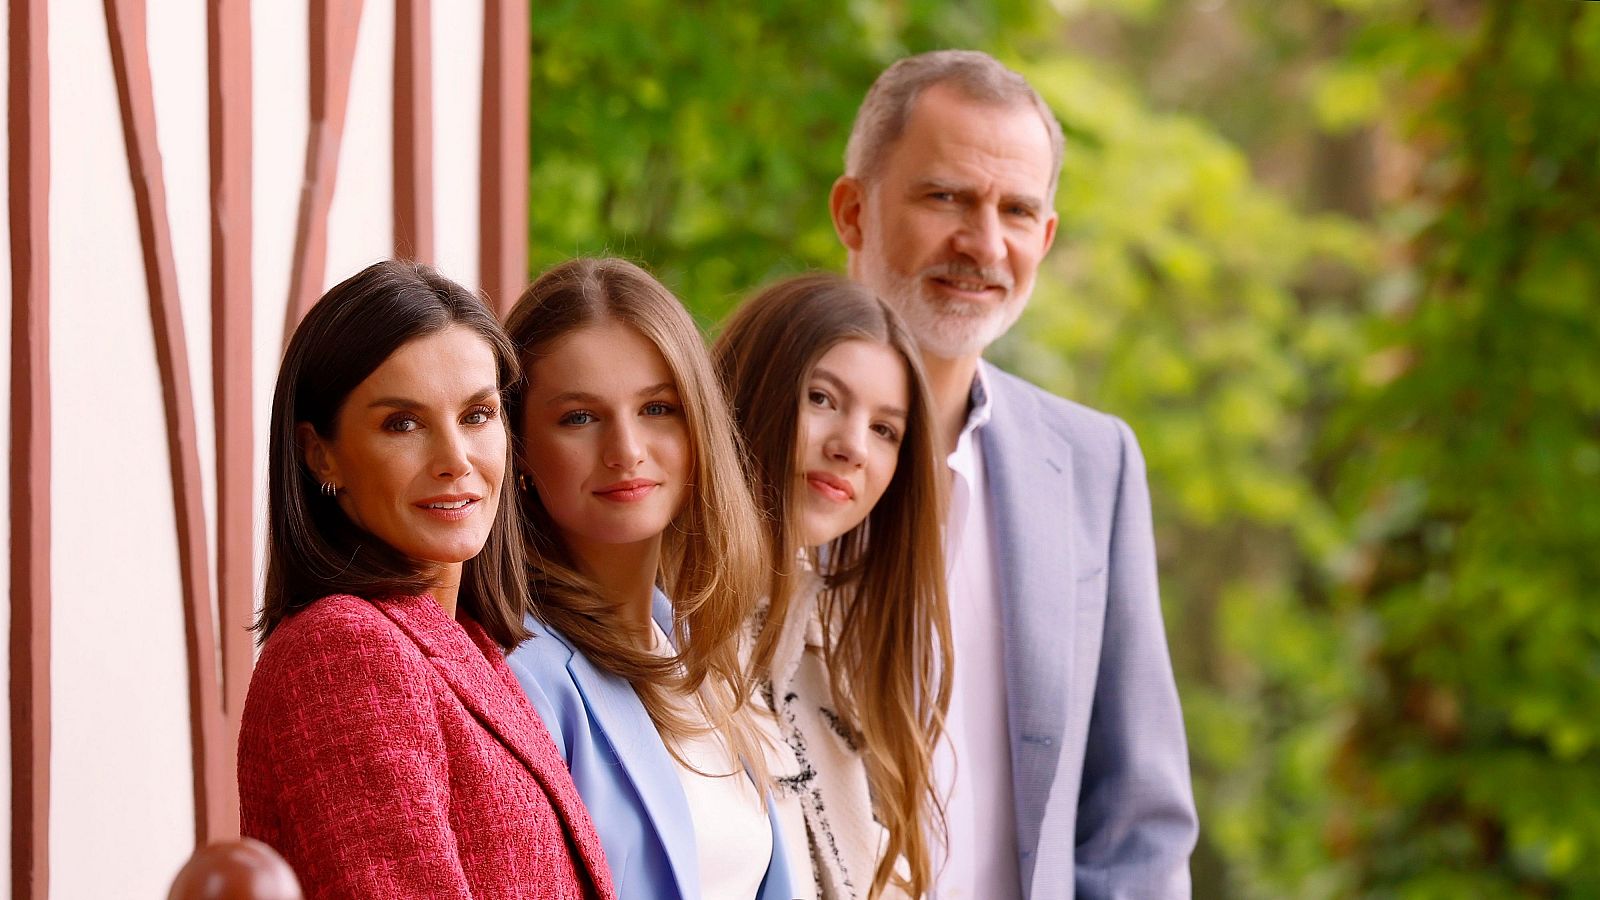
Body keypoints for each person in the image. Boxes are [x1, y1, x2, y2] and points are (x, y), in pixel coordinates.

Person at [827, 50, 1199, 898]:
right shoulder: (728, 440)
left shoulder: (1095, 465)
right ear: (853, 211)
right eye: (945, 197)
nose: (983, 243)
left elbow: (1138, 818)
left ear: (1047, 237)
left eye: (1017, 210)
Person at [237, 260, 616, 899]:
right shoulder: (343, 650)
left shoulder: (464, 643)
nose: (455, 460)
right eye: (403, 424)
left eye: (476, 415)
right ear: (319, 452)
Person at [502, 257, 797, 900]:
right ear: (518, 448)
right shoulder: (520, 674)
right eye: (579, 416)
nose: (626, 450)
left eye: (658, 408)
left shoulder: (697, 652)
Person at [713, 273, 954, 900]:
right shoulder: (663, 628)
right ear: (752, 390)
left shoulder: (839, 662)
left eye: (885, 430)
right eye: (822, 398)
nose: (851, 447)